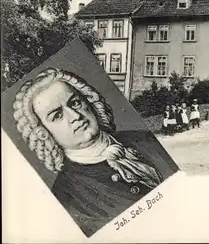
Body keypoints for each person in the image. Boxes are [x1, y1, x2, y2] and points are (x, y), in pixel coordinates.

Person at [12, 67, 166, 237]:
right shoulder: (65, 197)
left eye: (75, 103)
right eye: (57, 115)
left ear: (89, 101)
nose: (75, 116)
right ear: (43, 133)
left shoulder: (147, 140)